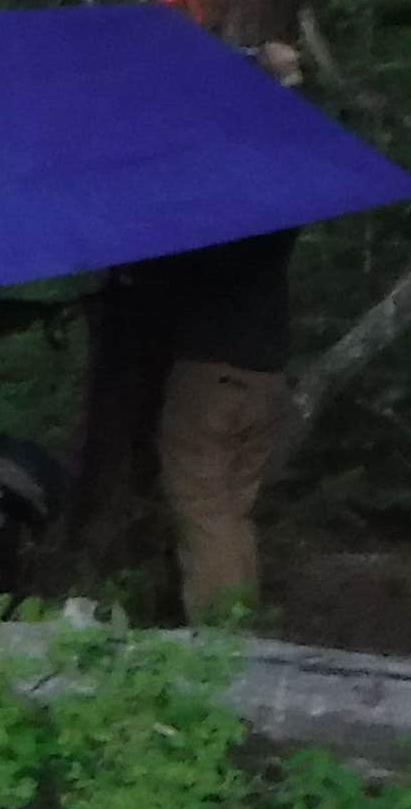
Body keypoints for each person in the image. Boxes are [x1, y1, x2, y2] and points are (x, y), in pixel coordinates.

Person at [121, 226, 293, 624]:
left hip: (211, 371)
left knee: (203, 508)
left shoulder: (208, 213)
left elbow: (163, 272)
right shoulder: (282, 204)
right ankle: (243, 621)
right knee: (234, 509)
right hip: (267, 373)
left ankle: (219, 636)